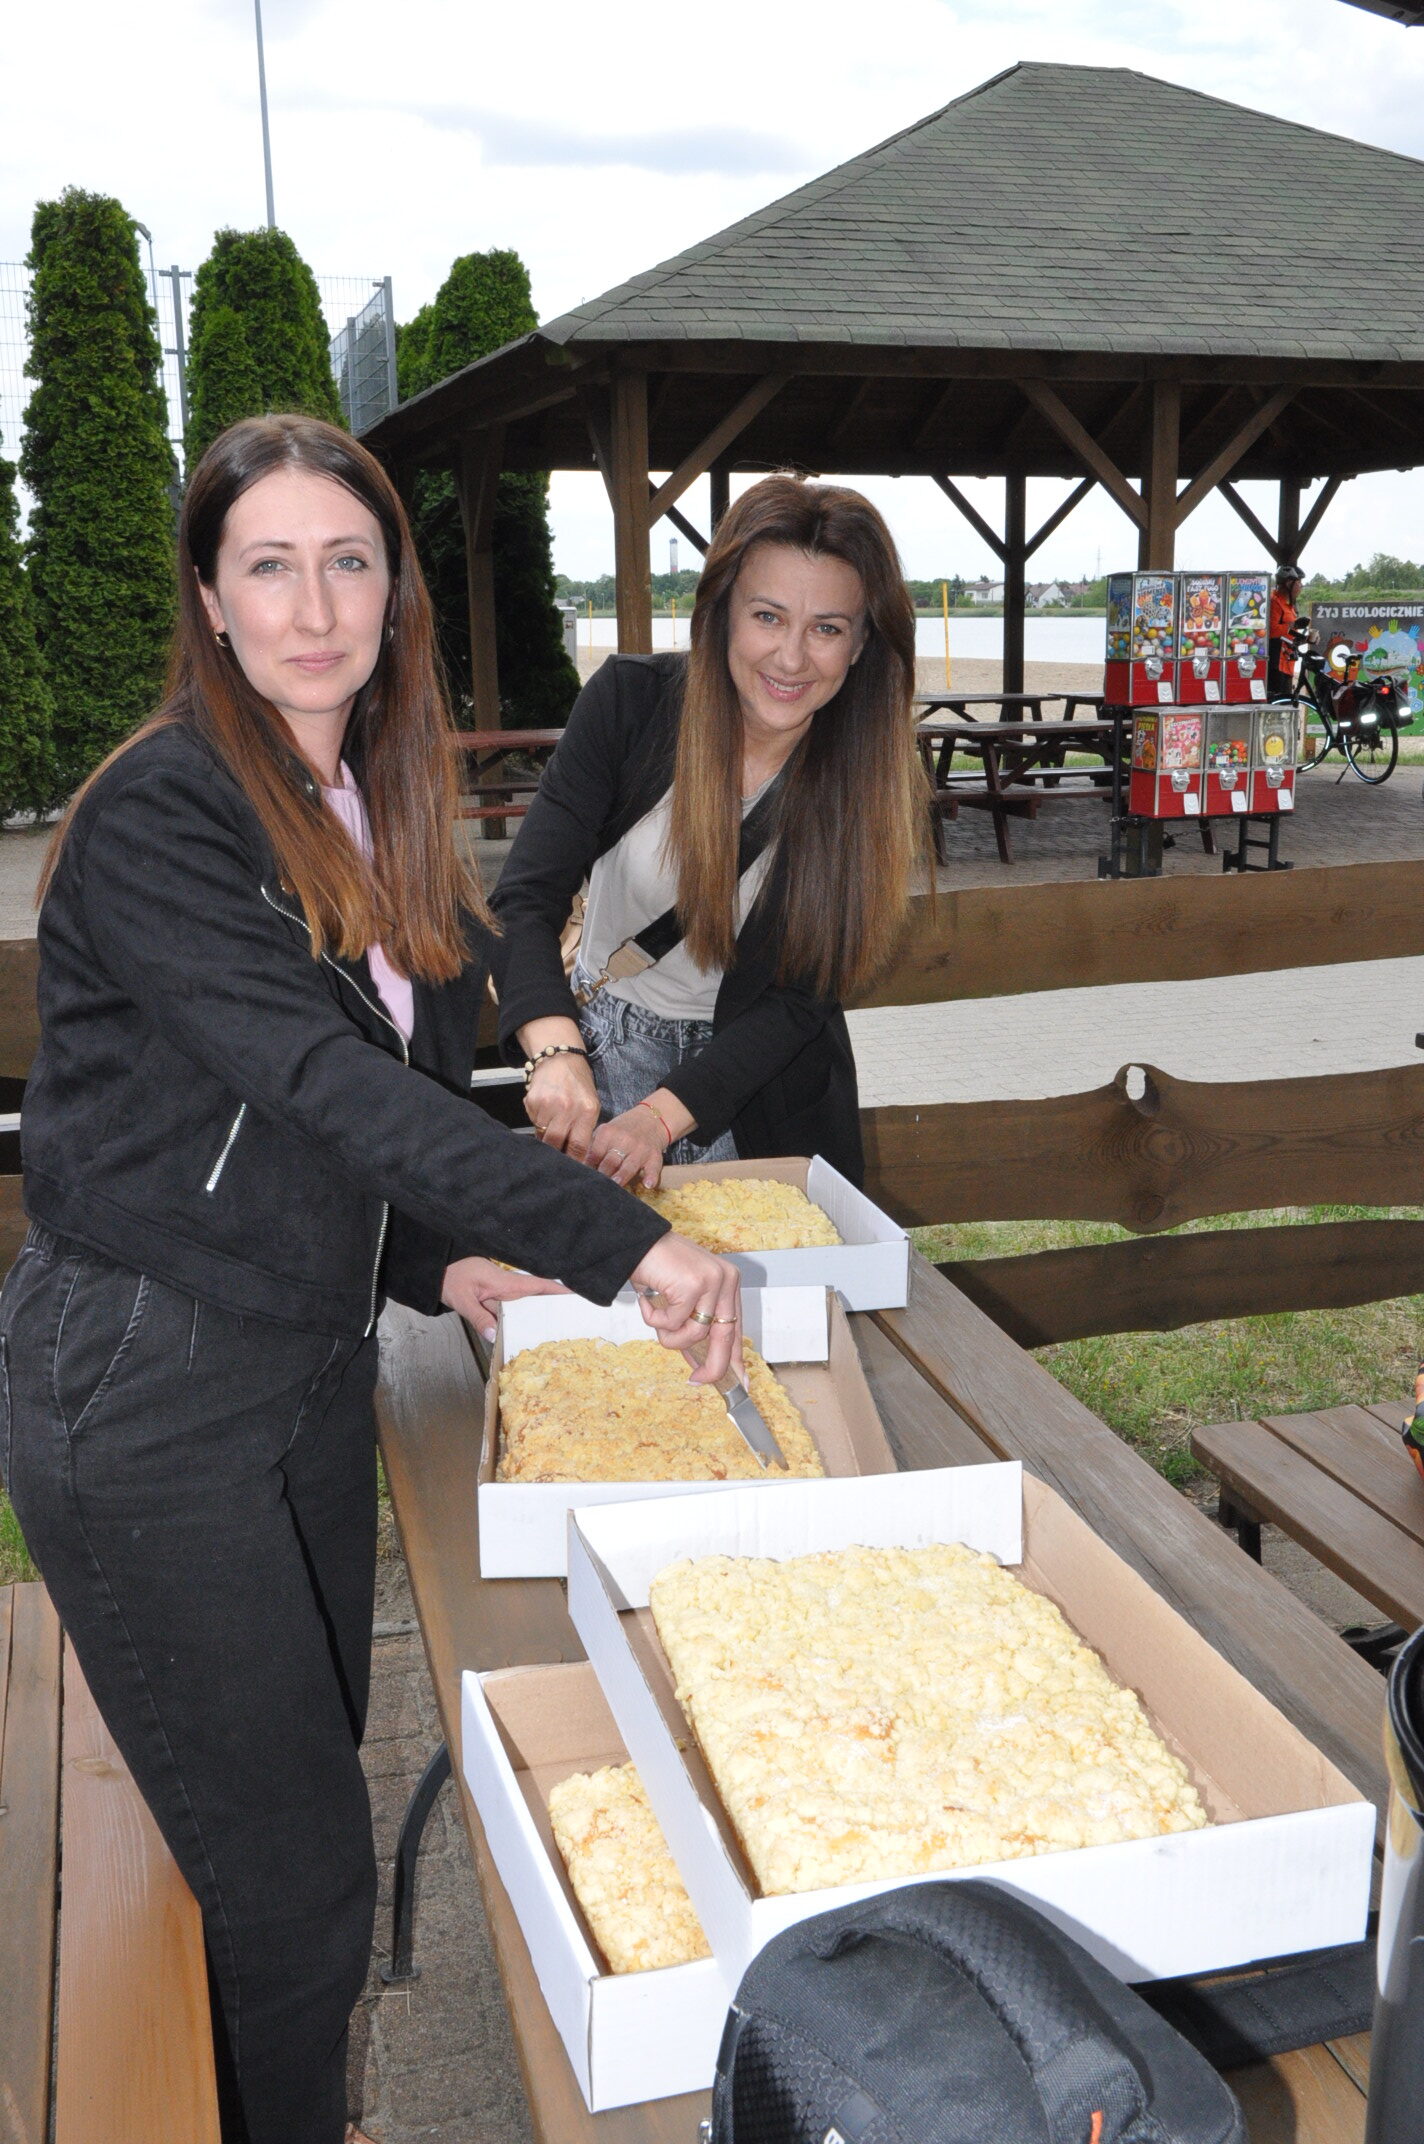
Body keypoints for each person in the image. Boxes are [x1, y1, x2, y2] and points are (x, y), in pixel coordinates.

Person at [0, 414, 739, 2144]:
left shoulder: (365, 799)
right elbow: (315, 1082)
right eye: (269, 565)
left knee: (307, 1757)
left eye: (349, 561)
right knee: (299, 1882)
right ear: (210, 598)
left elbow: (317, 1124)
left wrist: (435, 1250)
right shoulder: (166, 808)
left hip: (301, 1359)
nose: (316, 605)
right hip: (148, 1386)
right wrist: (622, 1240)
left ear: (396, 590)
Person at [491, 475, 924, 1192]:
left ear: (860, 646)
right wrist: (554, 1052)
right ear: (722, 613)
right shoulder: (631, 704)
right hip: (602, 1058)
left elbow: (800, 999)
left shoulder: (867, 774)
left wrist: (659, 1119)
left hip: (765, 1090)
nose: (791, 658)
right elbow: (523, 901)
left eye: (826, 628)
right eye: (767, 616)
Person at [1268, 561, 1305, 697]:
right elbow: (1272, 631)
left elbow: (1289, 632)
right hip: (1277, 662)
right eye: (1299, 583)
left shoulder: (1290, 605)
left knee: (1286, 699)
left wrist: (1306, 638)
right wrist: (1294, 625)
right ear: (1289, 584)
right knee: (1278, 700)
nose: (1301, 587)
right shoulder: (1275, 602)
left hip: (1287, 661)